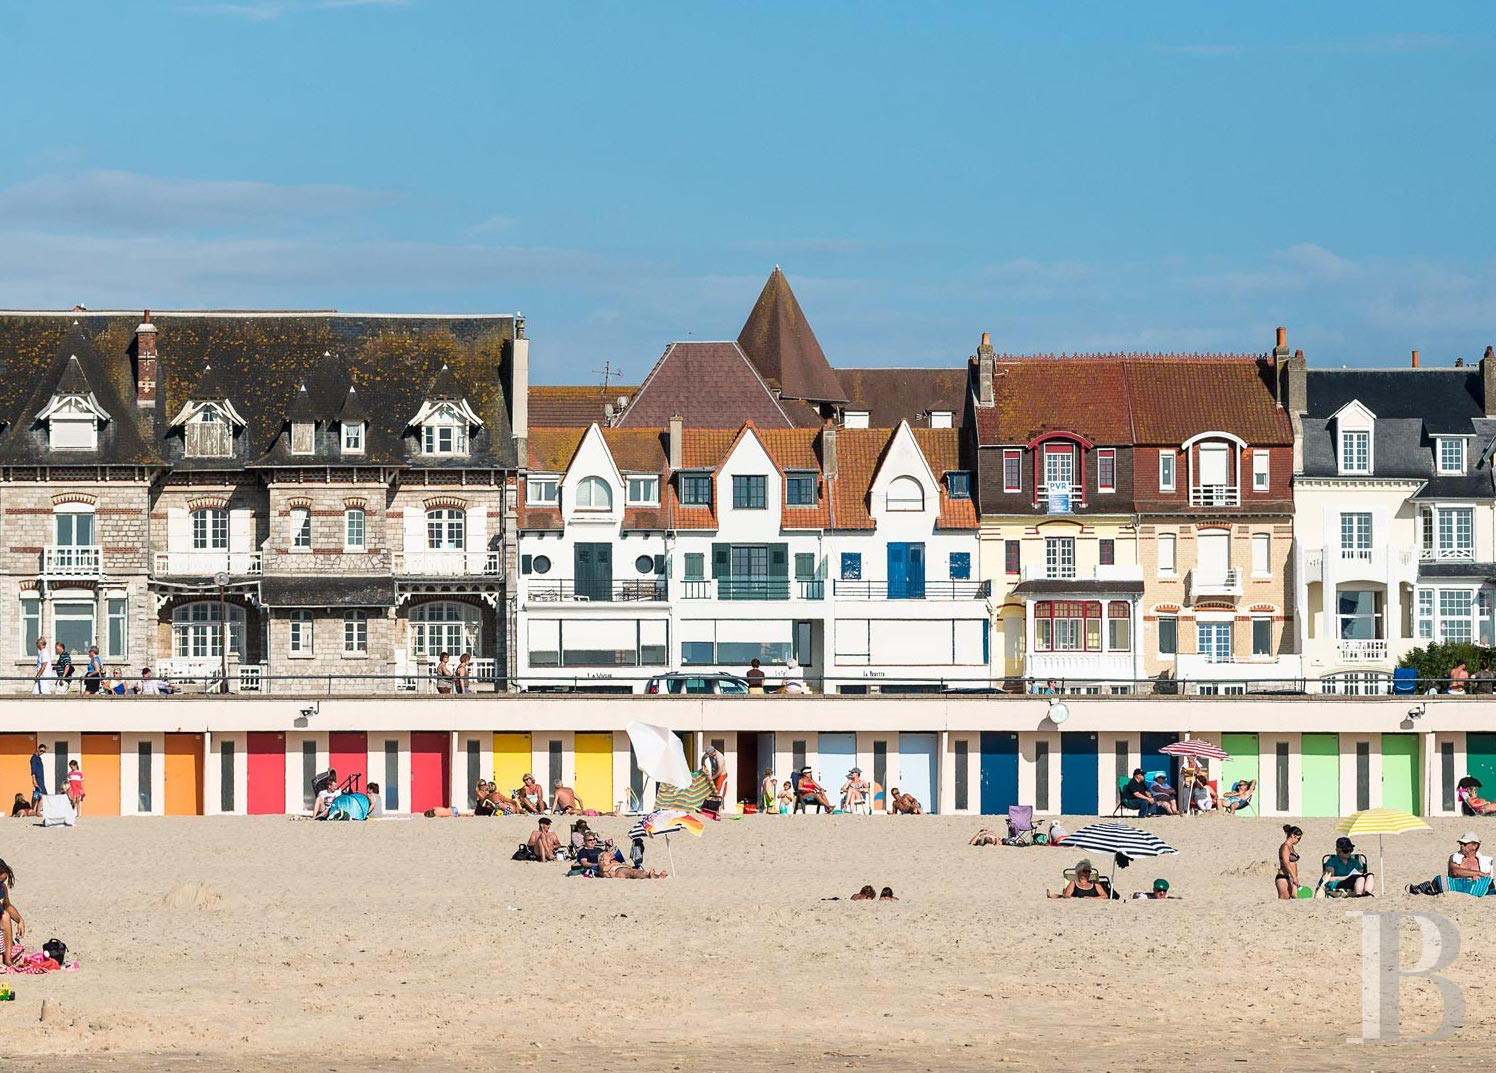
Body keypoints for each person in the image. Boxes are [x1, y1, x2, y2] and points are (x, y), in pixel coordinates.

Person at [1409, 832, 1494, 896]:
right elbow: (1455, 872)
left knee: (1487, 883)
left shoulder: (1484, 861)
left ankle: (1426, 887)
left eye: (1464, 844)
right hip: (1457, 885)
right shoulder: (1454, 857)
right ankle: (1426, 887)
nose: (1461, 846)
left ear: (1474, 846)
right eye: (1460, 844)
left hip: (1475, 886)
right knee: (1440, 879)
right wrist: (1478, 873)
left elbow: (1488, 879)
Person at [1047, 859, 1112, 899]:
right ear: (1079, 872)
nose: (1087, 873)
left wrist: (1092, 898)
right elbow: (1067, 896)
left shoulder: (1094, 883)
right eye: (1085, 871)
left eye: (1089, 871)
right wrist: (1079, 899)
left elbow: (1105, 896)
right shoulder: (1074, 883)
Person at [0, 858, 23, 970]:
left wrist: (20, 920)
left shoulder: (2, 888)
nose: (2, 883)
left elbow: (7, 905)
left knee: (5, 915)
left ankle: (8, 960)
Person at [1274, 824, 1302, 899]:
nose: (1299, 841)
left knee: (1297, 898)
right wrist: (1294, 877)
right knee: (1284, 902)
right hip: (1283, 877)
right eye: (1299, 839)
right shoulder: (1285, 847)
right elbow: (1286, 863)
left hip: (1291, 878)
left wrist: (1294, 877)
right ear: (1293, 835)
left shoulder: (1291, 847)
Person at [30, 743, 46, 808]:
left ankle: (33, 809)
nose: (42, 752)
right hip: (37, 779)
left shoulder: (39, 758)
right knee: (43, 795)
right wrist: (34, 780)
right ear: (38, 749)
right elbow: (33, 769)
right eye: (41, 750)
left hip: (41, 779)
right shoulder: (34, 758)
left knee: (36, 794)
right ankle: (38, 811)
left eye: (44, 751)